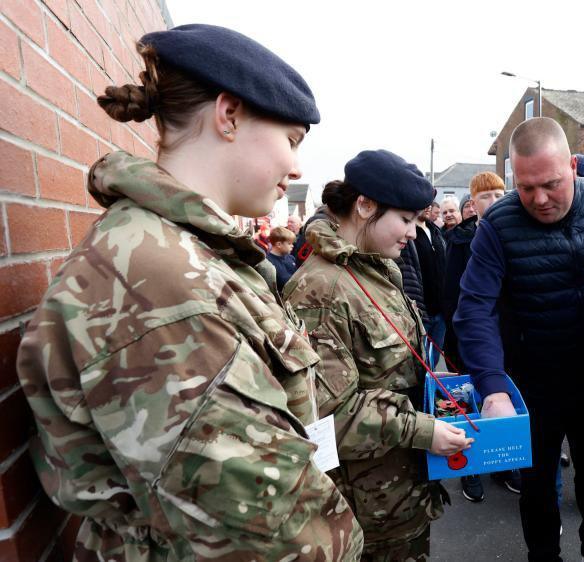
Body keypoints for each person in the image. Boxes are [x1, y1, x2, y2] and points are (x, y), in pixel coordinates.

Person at [15, 24, 363, 560]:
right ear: (228, 116)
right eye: (291, 141)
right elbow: (267, 535)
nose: (296, 167)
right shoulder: (159, 284)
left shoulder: (185, 254)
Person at [284, 149, 473, 562]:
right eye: (404, 219)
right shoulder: (321, 290)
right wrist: (424, 431)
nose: (411, 232)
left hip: (398, 494)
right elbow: (324, 418)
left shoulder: (372, 268)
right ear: (364, 206)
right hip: (366, 512)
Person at [454, 117, 584, 562]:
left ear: (572, 166)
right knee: (537, 490)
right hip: (533, 383)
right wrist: (492, 387)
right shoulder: (498, 225)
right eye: (527, 187)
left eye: (551, 184)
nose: (540, 199)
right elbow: (475, 308)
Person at [441, 171, 513, 503]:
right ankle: (470, 472)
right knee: (465, 406)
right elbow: (453, 297)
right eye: (487, 196)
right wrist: (456, 343)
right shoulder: (460, 240)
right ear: (474, 203)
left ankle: (503, 466)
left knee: (500, 404)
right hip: (468, 339)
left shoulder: (511, 234)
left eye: (500, 194)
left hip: (504, 340)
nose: (495, 201)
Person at [414, 203, 448, 368]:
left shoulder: (435, 231)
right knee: (419, 363)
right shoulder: (410, 232)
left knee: (432, 361)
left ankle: (429, 392)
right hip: (421, 311)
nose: (427, 206)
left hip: (440, 311)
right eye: (423, 202)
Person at [267, 225, 298, 290]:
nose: (292, 246)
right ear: (279, 244)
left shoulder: (291, 258)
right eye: (289, 243)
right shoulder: (268, 262)